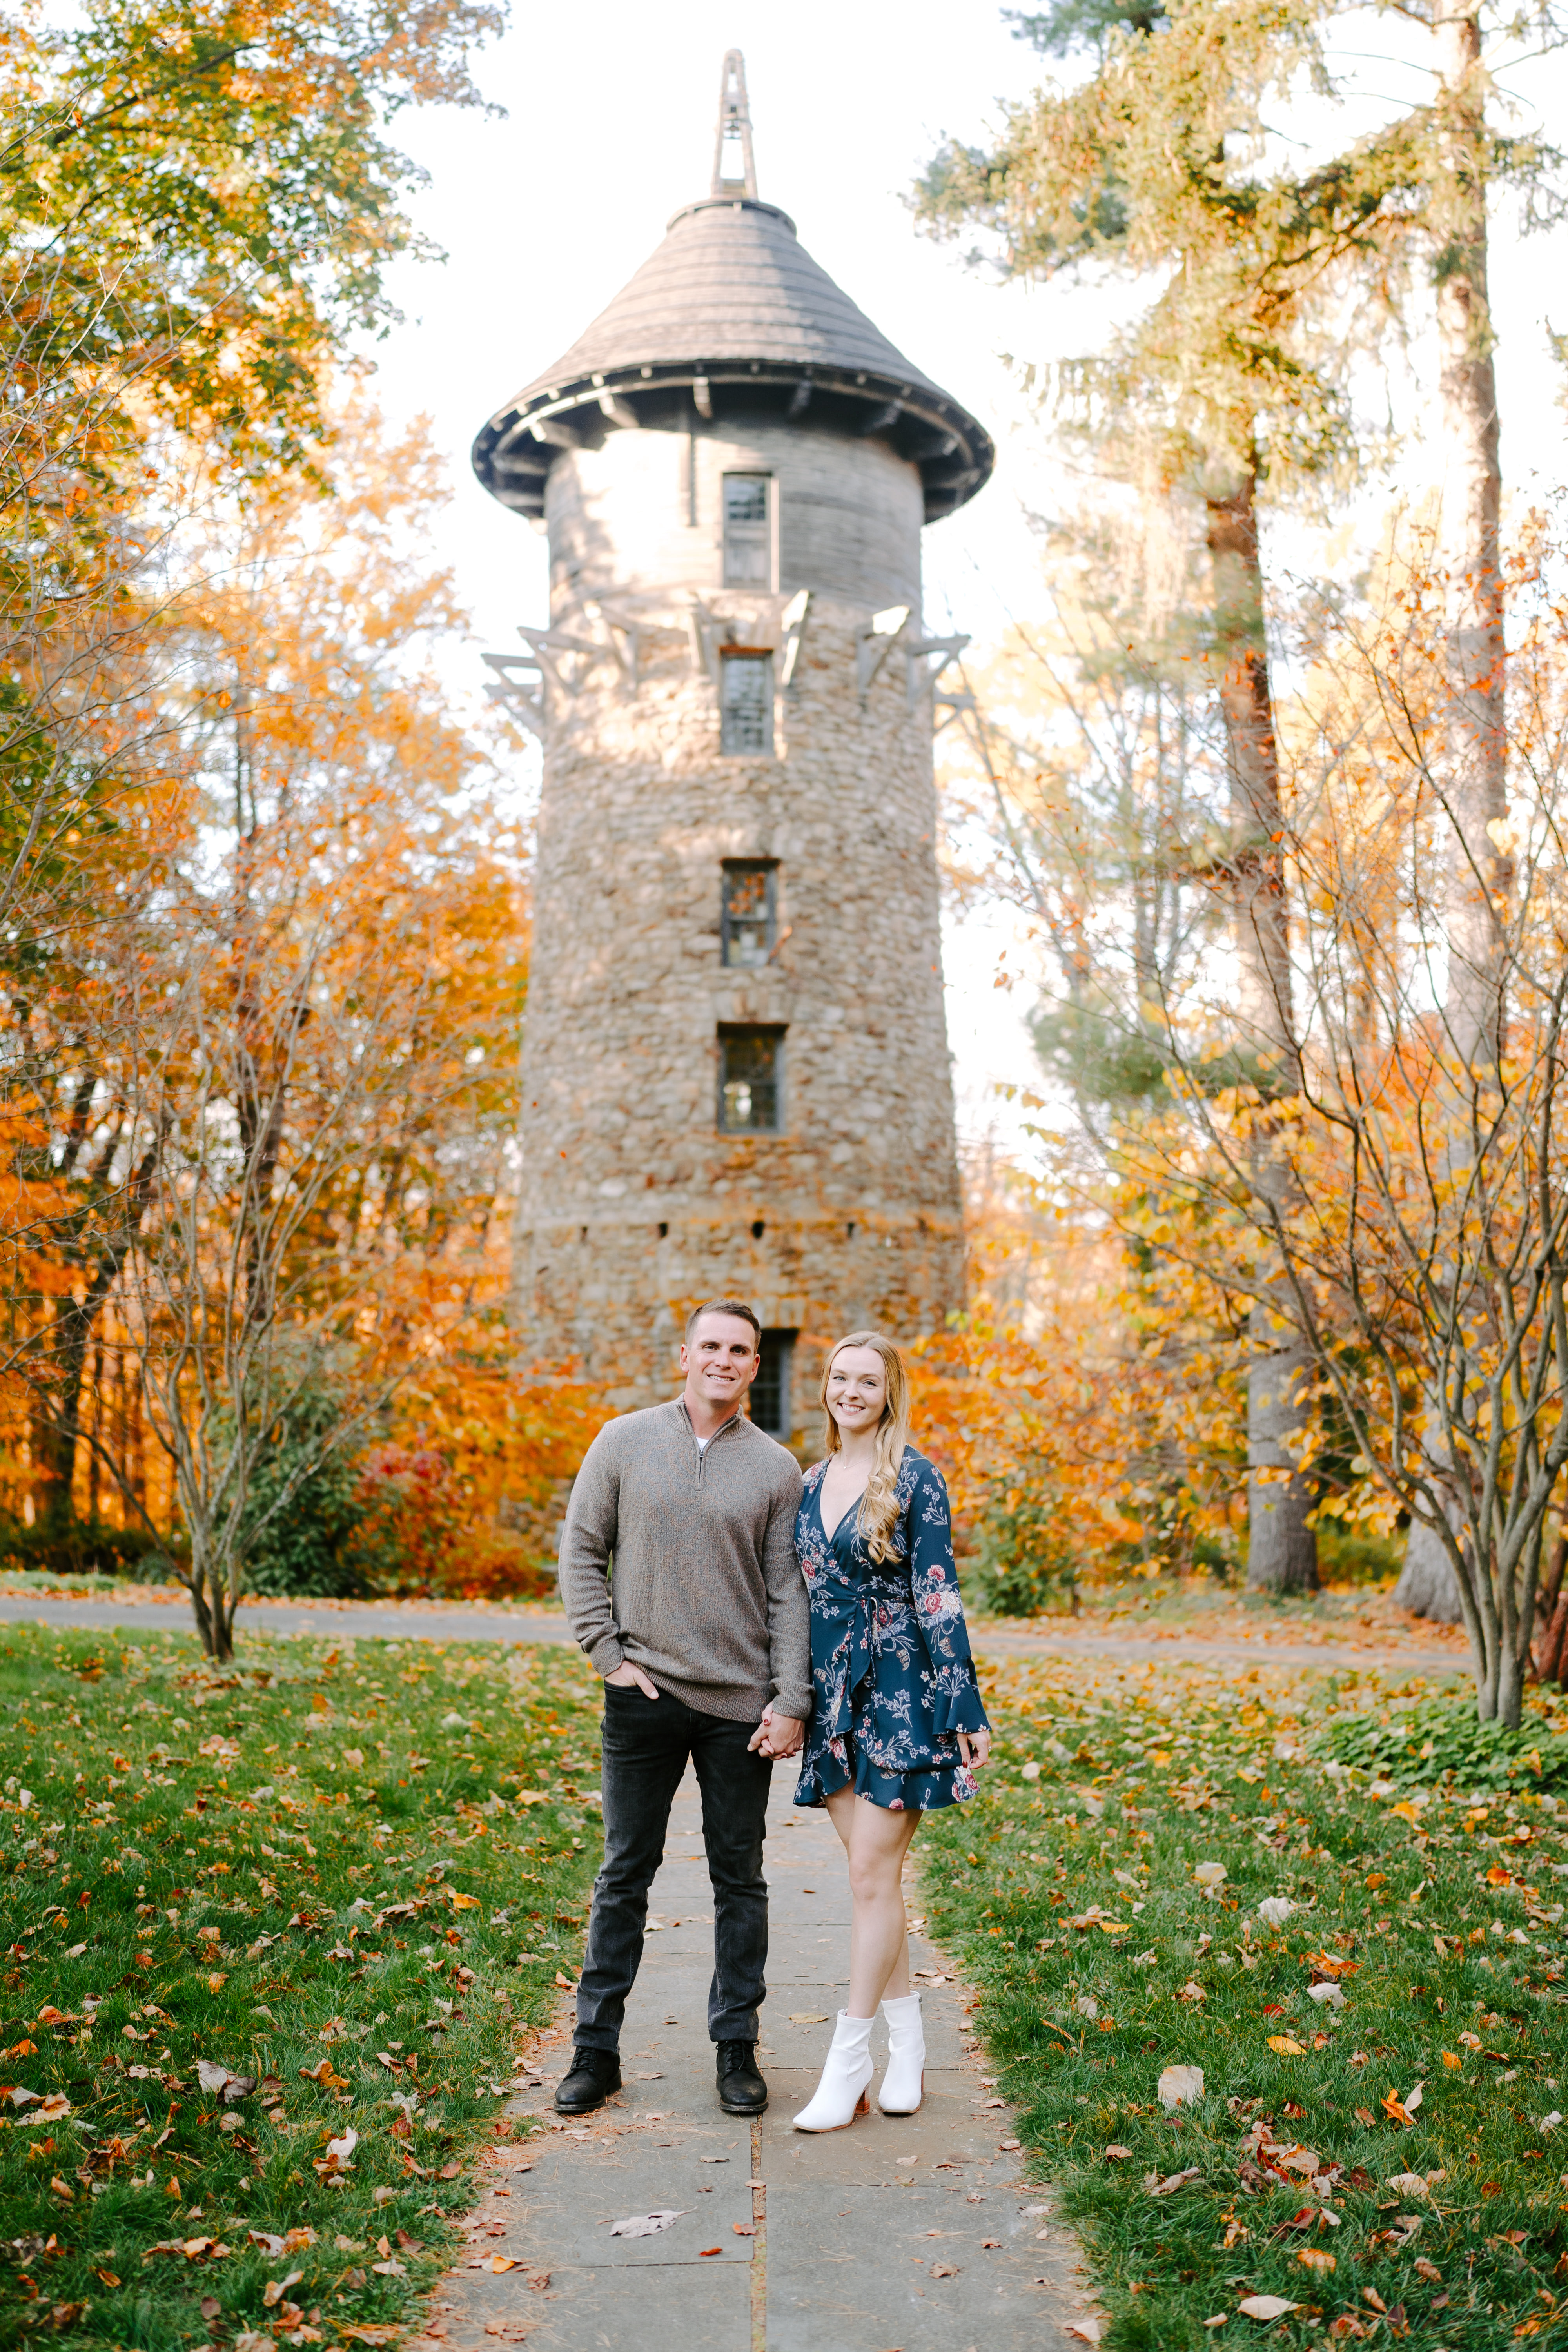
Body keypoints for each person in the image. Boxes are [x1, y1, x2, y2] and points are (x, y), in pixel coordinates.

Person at [554, 1298, 810, 2119]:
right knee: (624, 1872)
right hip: (643, 1696)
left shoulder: (775, 1467)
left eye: (739, 1350)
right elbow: (580, 1552)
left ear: (754, 1368)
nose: (723, 1360)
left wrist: (790, 1699)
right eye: (711, 1346)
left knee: (740, 1880)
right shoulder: (622, 1441)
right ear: (683, 1354)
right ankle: (595, 2053)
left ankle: (735, 2048)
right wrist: (608, 1657)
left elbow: (787, 1594)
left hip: (739, 1708)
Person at [783, 1330, 991, 2131]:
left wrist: (962, 1705)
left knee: (871, 1875)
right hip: (833, 1694)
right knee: (874, 1883)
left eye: (866, 1381)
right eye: (839, 1378)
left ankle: (847, 2066)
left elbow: (936, 1593)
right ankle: (909, 2046)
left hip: (903, 1689)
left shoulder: (914, 1478)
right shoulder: (807, 1483)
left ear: (888, 1392)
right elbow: (796, 1598)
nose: (850, 1392)